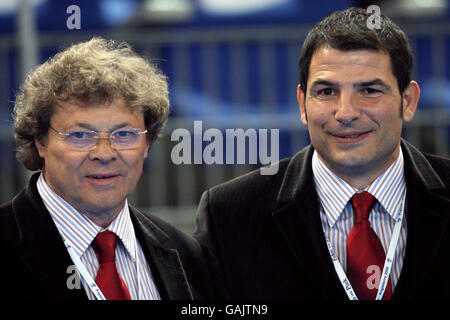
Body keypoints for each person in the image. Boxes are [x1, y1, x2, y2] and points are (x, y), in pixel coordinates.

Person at [194, 7, 450, 300]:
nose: (346, 113)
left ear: (408, 101)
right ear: (303, 104)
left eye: (369, 90)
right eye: (327, 92)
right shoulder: (229, 215)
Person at [0, 37, 213, 300]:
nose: (104, 154)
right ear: (40, 141)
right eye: (79, 136)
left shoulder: (185, 254)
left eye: (124, 134)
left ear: (148, 143)